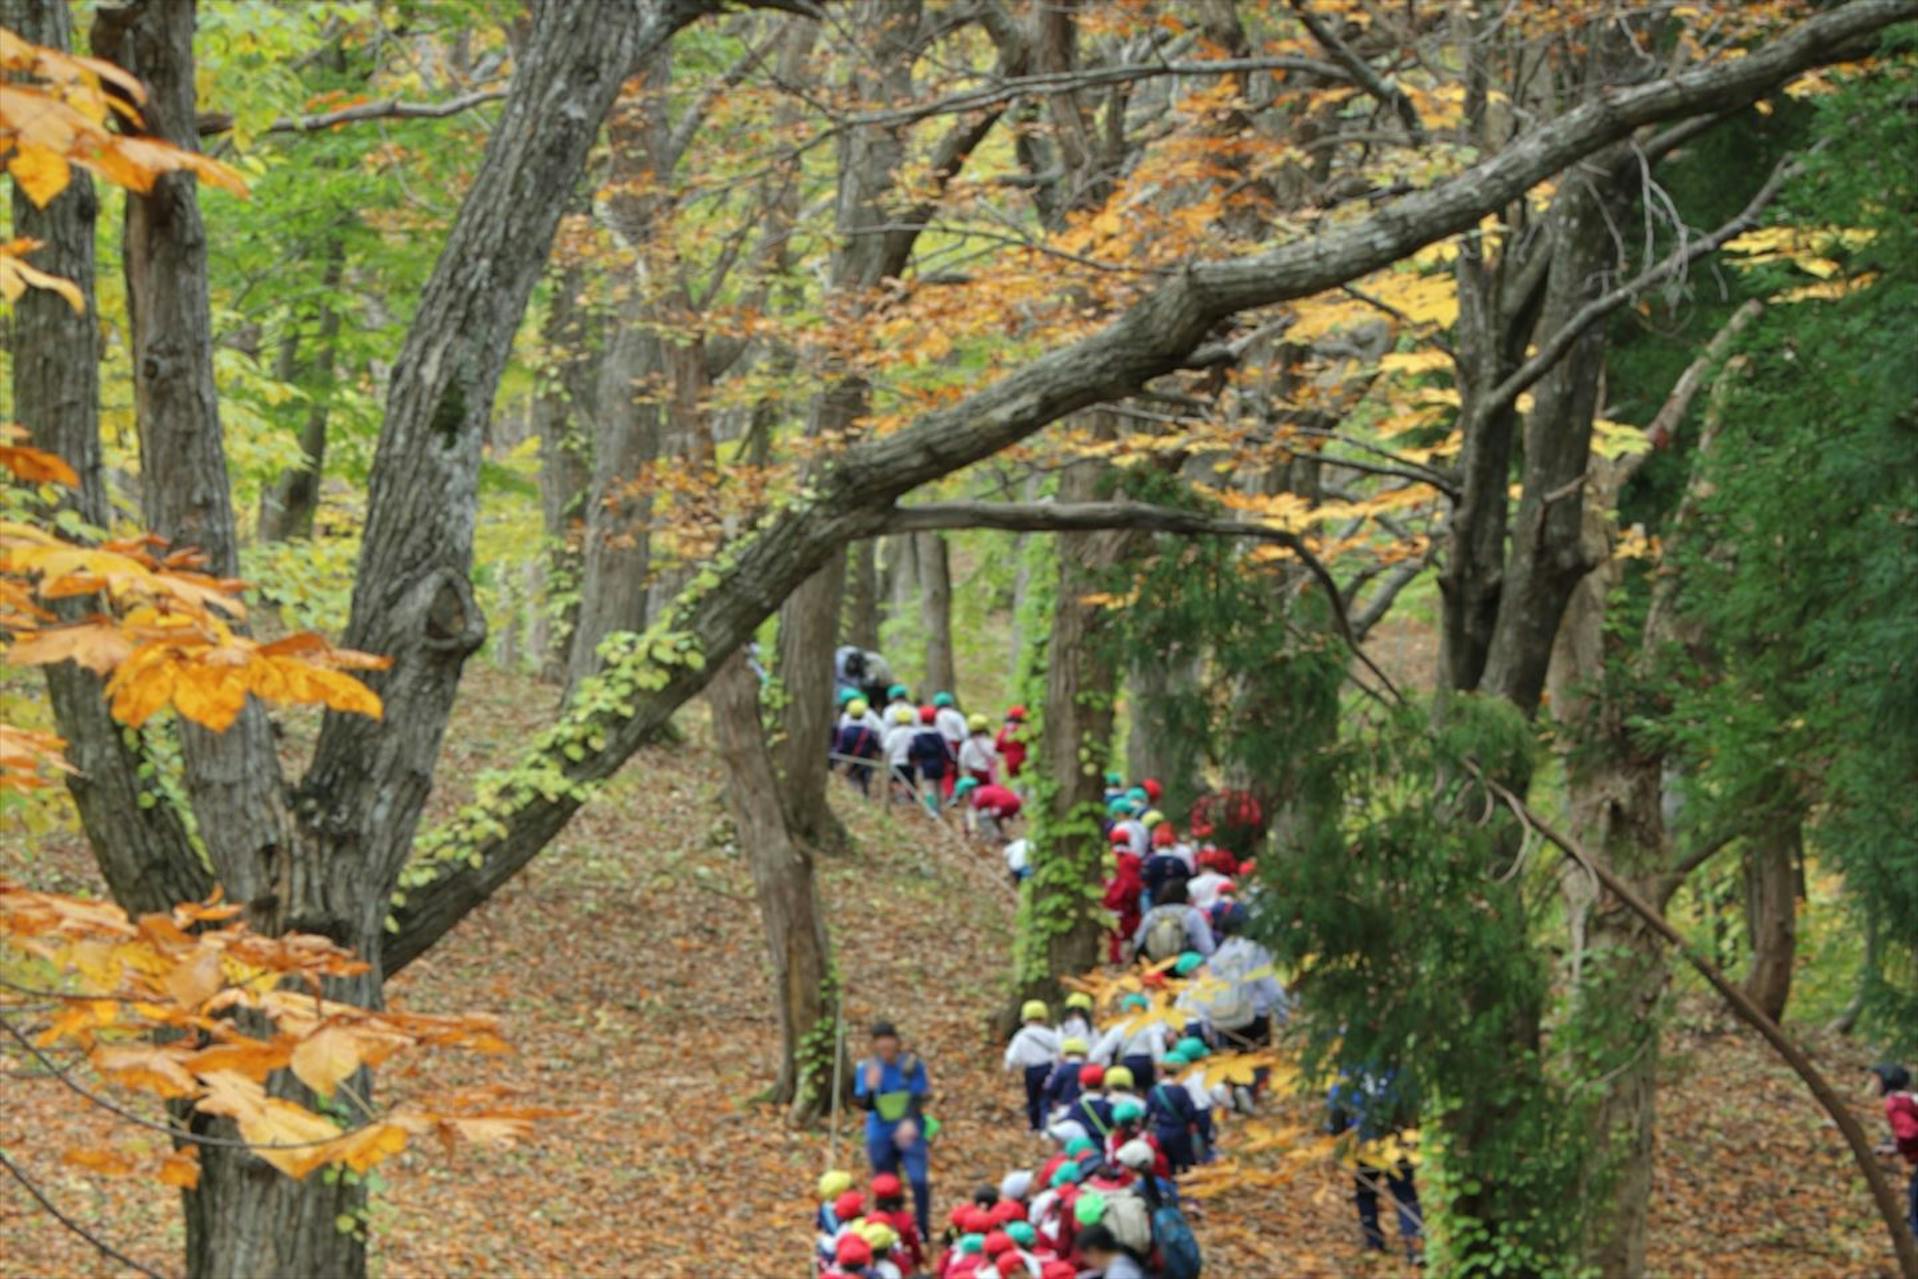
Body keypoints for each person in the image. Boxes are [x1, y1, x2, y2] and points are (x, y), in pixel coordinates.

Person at [1328, 1068, 1422, 1261]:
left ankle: (1374, 1242)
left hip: (1365, 1142)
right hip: (1395, 1142)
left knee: (1366, 1193)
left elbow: (1337, 1103)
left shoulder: (1351, 1067)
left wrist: (1337, 1132)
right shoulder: (1395, 1065)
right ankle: (1413, 1245)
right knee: (1404, 1193)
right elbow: (1413, 1100)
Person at [855, 1021, 933, 1240]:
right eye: (881, 1048)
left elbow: (919, 1094)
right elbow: (865, 1104)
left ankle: (922, 1229)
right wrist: (871, 1087)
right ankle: (889, 1230)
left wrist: (908, 1121)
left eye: (889, 1047)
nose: (886, 1052)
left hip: (909, 1128)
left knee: (918, 1180)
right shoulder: (867, 1067)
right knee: (885, 1184)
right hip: (880, 1129)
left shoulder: (911, 1065)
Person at [1871, 1063, 1918, 1241]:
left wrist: (1896, 1148)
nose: (1873, 1085)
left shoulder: (1896, 1103)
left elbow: (1910, 1134)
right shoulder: (1910, 1099)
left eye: (1876, 1080)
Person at [1004, 1000, 1063, 1135]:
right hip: (1048, 1068)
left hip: (1031, 1071)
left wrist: (1009, 1067)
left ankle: (1034, 1125)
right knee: (1046, 1096)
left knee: (1033, 1097)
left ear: (1024, 1018)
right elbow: (1060, 1049)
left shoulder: (1021, 1036)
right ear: (1044, 1018)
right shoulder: (1049, 1034)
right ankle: (1045, 1124)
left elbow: (1012, 1057)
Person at [1132, 879, 1216, 961]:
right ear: (1186, 896)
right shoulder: (1192, 914)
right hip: (1185, 965)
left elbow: (1138, 942)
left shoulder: (1152, 914)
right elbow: (1207, 947)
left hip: (1155, 966)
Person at [834, 699, 883, 795]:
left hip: (849, 761)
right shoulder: (868, 731)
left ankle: (855, 795)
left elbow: (841, 747)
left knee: (852, 781)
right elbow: (875, 746)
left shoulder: (845, 731)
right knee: (865, 780)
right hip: (866, 762)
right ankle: (865, 795)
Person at [910, 706, 952, 814]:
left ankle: (931, 809)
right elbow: (945, 750)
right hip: (938, 764)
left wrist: (913, 761)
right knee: (938, 786)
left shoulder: (917, 737)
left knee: (928, 788)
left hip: (925, 764)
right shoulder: (939, 735)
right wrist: (949, 762)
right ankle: (939, 807)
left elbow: (913, 751)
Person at [1074, 1223, 1149, 1279]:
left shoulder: (1119, 1273)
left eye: (1084, 1255)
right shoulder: (1123, 1260)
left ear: (1094, 1251)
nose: (1084, 1259)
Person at [883, 704, 919, 801]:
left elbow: (887, 748)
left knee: (896, 781)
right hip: (911, 762)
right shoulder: (916, 732)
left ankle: (901, 797)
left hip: (896, 761)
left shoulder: (893, 733)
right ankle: (910, 797)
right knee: (910, 780)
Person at [959, 714, 999, 784]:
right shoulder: (989, 743)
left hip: (973, 774)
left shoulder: (966, 744)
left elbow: (963, 761)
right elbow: (994, 759)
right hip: (987, 774)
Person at [995, 706, 1029, 780]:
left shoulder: (1004, 731)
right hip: (1025, 763)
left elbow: (998, 747)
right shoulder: (1025, 729)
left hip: (1009, 765)